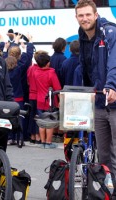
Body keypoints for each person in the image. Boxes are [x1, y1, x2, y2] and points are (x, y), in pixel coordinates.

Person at [75, 0, 116, 195]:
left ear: (96, 15)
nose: (84, 19)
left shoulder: (109, 32)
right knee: (103, 155)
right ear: (77, 17)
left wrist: (111, 85)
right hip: (99, 103)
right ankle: (107, 191)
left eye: (88, 15)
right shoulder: (82, 36)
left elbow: (113, 63)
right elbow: (85, 68)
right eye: (81, 15)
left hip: (113, 101)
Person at [34, 52, 61, 149]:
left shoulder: (36, 72)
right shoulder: (51, 73)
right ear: (48, 63)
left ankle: (43, 142)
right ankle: (48, 143)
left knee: (42, 122)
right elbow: (57, 88)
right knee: (49, 122)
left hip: (39, 100)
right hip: (50, 100)